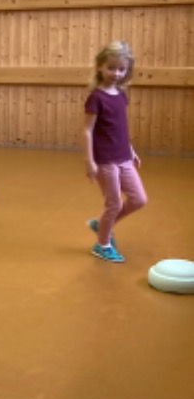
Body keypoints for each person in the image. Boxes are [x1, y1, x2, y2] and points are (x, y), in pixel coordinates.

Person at [83, 40, 147, 262]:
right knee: (114, 204)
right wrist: (90, 161)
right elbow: (87, 131)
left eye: (121, 69)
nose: (116, 73)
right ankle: (102, 244)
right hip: (106, 160)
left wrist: (131, 149)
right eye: (111, 68)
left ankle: (101, 224)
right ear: (100, 66)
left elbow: (119, 127)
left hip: (124, 157)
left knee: (139, 199)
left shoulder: (120, 94)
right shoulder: (96, 97)